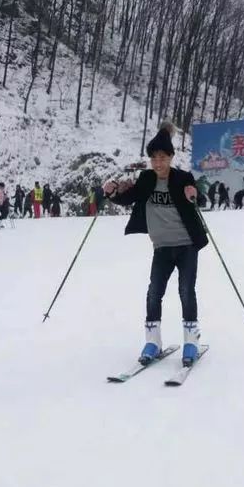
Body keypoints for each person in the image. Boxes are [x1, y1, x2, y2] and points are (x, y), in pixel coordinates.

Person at [103, 122, 207, 367]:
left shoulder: (182, 178)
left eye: (162, 157)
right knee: (153, 293)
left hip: (186, 245)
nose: (158, 163)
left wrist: (194, 194)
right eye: (154, 158)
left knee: (185, 291)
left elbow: (198, 197)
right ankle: (152, 341)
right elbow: (129, 198)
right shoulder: (147, 179)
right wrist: (113, 192)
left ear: (171, 157)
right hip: (161, 247)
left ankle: (191, 340)